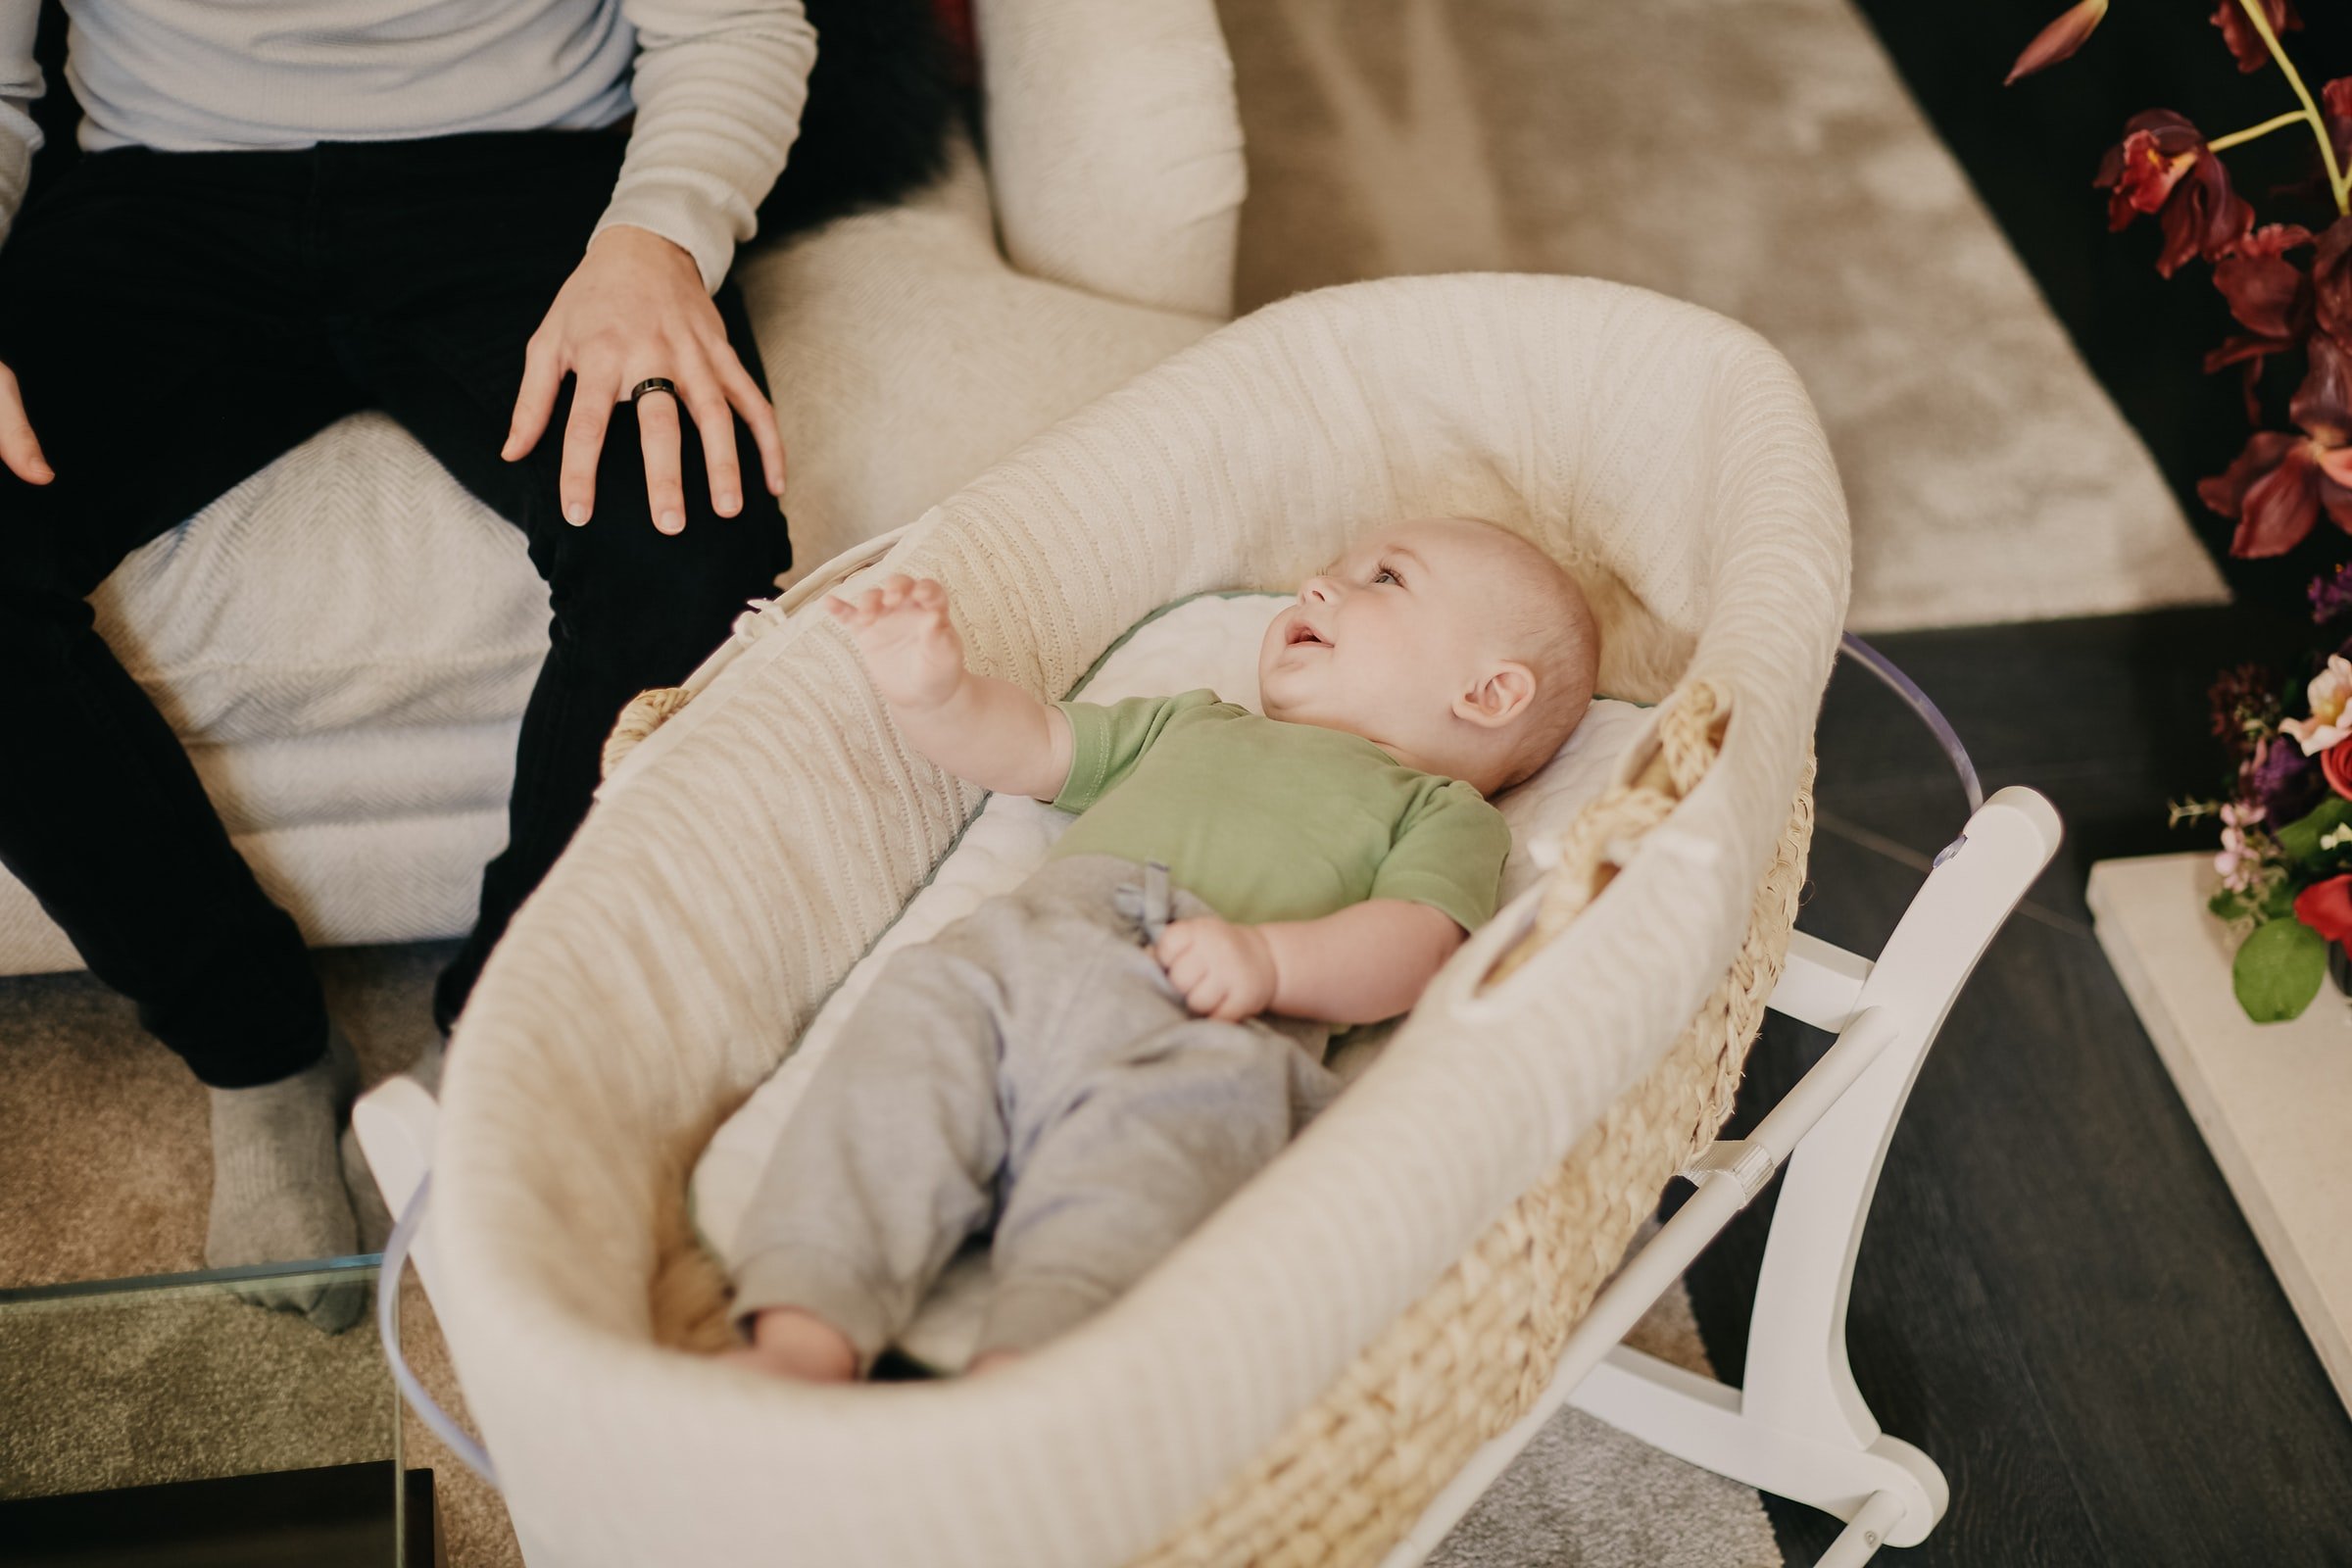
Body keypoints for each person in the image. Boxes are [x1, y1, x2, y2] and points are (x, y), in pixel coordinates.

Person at [0, 0, 949, 1318]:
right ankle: (257, 1052)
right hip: (157, 196)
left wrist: (660, 234)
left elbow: (728, 24)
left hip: (534, 175)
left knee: (692, 546)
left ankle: (505, 1030)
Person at [724, 515, 1599, 1381]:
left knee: (1145, 1178)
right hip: (1029, 953)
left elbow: (1416, 946)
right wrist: (936, 695)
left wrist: (1272, 964)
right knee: (910, 1039)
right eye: (1334, 568)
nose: (1318, 584)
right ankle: (809, 1322)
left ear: (1488, 695)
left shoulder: (1443, 814)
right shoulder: (1195, 724)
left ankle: (1029, 1372)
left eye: (1386, 579)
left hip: (1208, 1027)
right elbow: (1033, 746)